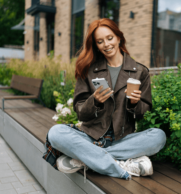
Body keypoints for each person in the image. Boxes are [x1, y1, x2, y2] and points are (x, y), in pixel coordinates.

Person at [43, 18, 166, 181]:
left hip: (123, 139)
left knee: (159, 136)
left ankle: (84, 159)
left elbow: (144, 113)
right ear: (95, 45)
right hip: (90, 136)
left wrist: (134, 104)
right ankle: (118, 166)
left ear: (118, 37)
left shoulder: (140, 71)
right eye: (100, 41)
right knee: (55, 133)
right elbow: (80, 113)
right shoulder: (88, 70)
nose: (107, 44)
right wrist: (94, 102)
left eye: (110, 38)